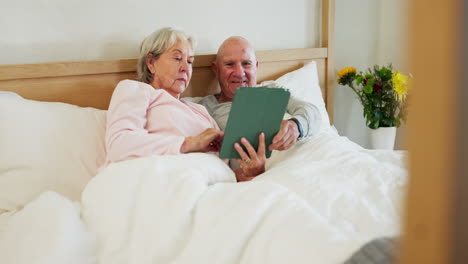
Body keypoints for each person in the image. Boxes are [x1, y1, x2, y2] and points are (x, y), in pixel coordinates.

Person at [102, 27, 263, 182]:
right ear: (151, 62)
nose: (186, 68)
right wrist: (189, 143)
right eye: (177, 58)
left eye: (190, 61)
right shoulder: (136, 90)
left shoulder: (200, 111)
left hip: (210, 188)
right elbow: (119, 145)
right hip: (161, 182)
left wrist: (248, 172)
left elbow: (222, 171)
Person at [184, 36, 322, 168]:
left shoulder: (274, 91)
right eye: (229, 64)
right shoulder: (202, 107)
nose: (239, 73)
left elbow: (312, 112)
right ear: (216, 69)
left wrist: (296, 126)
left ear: (256, 66)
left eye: (246, 64)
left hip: (305, 161)